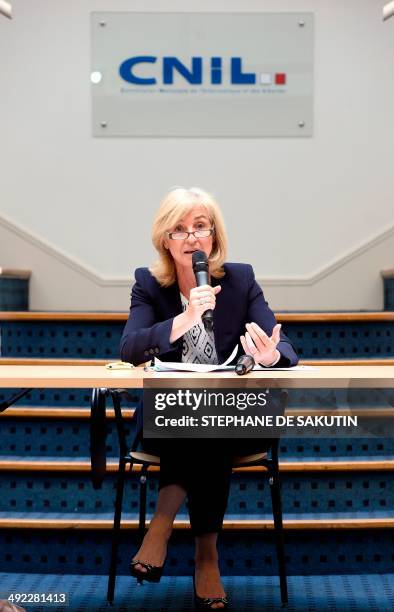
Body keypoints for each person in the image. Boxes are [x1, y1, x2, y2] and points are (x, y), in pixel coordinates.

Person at [120, 187, 298, 609]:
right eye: (179, 229)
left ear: (214, 237)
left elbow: (285, 348)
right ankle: (206, 558)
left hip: (236, 417)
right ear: (165, 240)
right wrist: (184, 318)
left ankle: (160, 527)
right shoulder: (149, 285)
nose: (191, 237)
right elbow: (129, 349)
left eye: (200, 227)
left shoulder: (240, 280)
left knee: (213, 416)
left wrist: (270, 355)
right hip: (168, 418)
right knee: (198, 419)